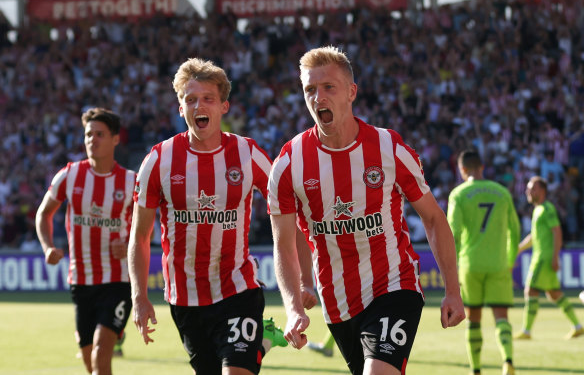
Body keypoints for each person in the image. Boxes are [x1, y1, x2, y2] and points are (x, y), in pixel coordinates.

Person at [267, 45, 465, 375]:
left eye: (328, 87)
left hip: (393, 285)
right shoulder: (289, 163)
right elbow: (283, 242)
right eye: (310, 90)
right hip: (337, 302)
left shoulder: (389, 147)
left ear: (351, 92)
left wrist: (452, 291)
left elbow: (432, 218)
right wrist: (292, 305)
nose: (319, 98)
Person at [128, 57, 289, 375]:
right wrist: (139, 296)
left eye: (208, 99)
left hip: (237, 289)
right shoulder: (159, 160)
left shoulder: (247, 153)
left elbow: (286, 208)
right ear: (180, 108)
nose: (198, 106)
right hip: (185, 298)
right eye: (190, 99)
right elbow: (140, 235)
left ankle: (255, 345)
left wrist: (301, 279)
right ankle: (263, 343)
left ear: (223, 107)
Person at [35, 108, 135, 375]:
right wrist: (47, 247)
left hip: (118, 280)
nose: (92, 139)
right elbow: (43, 213)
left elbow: (147, 227)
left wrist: (129, 246)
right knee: (90, 361)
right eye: (88, 134)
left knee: (103, 351)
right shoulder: (69, 175)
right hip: (81, 280)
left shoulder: (130, 182)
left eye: (100, 134)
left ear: (115, 139)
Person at [447, 150, 520, 375]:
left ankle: (476, 369)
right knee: (501, 317)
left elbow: (454, 233)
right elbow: (515, 231)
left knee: (474, 319)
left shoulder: (458, 195)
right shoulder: (501, 192)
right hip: (498, 263)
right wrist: (509, 260)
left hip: (471, 265)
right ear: (483, 167)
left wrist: (453, 266)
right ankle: (507, 360)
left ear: (462, 170)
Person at [514, 176, 584, 340]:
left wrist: (555, 257)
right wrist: (518, 249)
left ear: (542, 191)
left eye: (532, 188)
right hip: (543, 257)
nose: (528, 191)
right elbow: (533, 236)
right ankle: (577, 326)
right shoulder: (538, 210)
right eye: (528, 188)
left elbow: (557, 232)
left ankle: (526, 330)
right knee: (554, 294)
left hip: (543, 259)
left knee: (530, 290)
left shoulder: (547, 209)